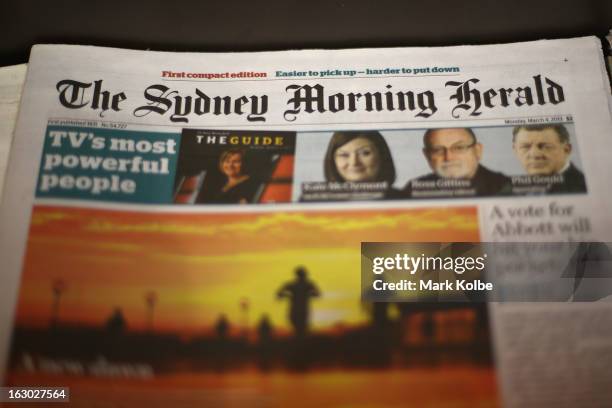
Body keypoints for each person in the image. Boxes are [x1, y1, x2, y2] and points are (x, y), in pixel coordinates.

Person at [404, 128, 510, 197]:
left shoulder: (505, 186)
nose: (449, 158)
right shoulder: (413, 189)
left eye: (459, 148)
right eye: (438, 150)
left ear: (477, 151)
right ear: (427, 156)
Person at [323, 130, 401, 198]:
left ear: (382, 156)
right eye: (344, 155)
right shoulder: (320, 200)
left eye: (365, 153)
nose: (354, 162)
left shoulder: (402, 198)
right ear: (333, 161)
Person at [512, 124, 586, 193]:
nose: (535, 154)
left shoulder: (581, 187)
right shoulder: (508, 189)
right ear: (515, 150)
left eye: (546, 147)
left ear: (566, 150)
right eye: (525, 147)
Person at [277, 266, 320, 338]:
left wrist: (288, 296)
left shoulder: (304, 284)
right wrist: (288, 296)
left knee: (300, 329)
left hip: (299, 310)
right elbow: (317, 294)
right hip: (299, 310)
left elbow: (279, 294)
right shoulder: (303, 284)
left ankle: (300, 344)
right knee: (300, 329)